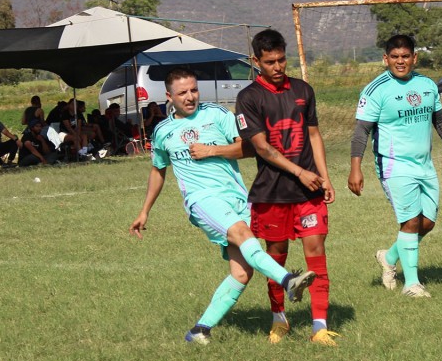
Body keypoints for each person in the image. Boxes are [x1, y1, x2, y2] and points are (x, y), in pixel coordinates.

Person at [129, 67, 317, 345]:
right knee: (242, 233)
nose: (190, 96)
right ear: (169, 96)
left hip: (236, 197)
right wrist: (145, 211)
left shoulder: (218, 115)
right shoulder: (163, 131)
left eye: (194, 90)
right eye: (182, 93)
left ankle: (199, 331)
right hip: (202, 200)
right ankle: (288, 280)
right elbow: (158, 170)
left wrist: (212, 150)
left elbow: (249, 148)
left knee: (242, 273)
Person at [231, 28, 338, 346]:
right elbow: (262, 148)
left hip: (308, 193)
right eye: (270, 62)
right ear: (256, 61)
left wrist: (324, 177)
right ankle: (279, 319)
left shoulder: (303, 90)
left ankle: (320, 327)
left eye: (281, 60)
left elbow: (314, 135)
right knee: (275, 257)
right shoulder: (248, 98)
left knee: (316, 251)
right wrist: (300, 172)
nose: (277, 67)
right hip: (272, 193)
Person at [348, 34, 442, 298]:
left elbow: (441, 121)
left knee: (427, 223)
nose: (400, 61)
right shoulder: (375, 90)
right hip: (394, 165)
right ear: (386, 59)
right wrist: (355, 167)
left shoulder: (427, 85)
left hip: (424, 165)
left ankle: (388, 257)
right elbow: (361, 132)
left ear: (414, 58)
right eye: (395, 57)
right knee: (411, 221)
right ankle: (411, 285)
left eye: (405, 56)